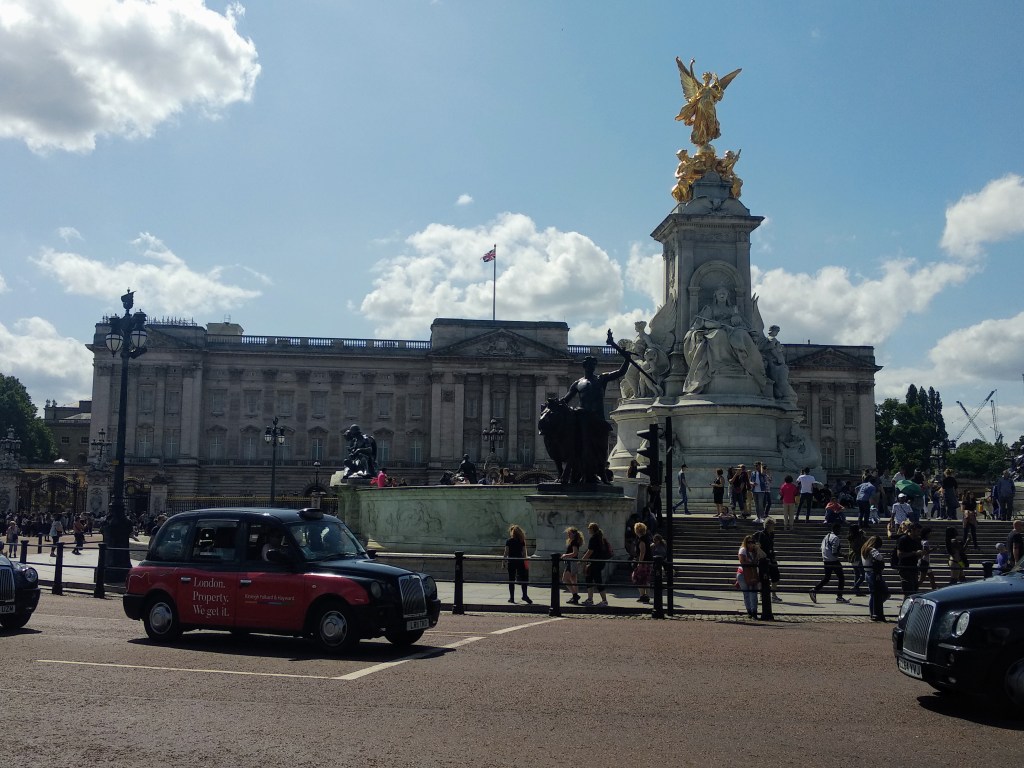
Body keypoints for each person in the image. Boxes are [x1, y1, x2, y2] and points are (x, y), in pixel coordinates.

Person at [559, 352, 630, 484]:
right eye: (589, 365)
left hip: (597, 419)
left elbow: (620, 372)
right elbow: (566, 400)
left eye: (593, 365)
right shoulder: (577, 383)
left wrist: (627, 359)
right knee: (579, 444)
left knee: (601, 448)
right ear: (585, 366)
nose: (592, 367)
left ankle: (601, 473)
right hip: (583, 418)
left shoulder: (601, 379)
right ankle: (575, 471)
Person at [809, 523, 849, 604]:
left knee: (827, 578)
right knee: (841, 577)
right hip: (833, 560)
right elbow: (834, 552)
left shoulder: (826, 536)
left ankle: (814, 590)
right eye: (839, 530)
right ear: (836, 529)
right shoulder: (835, 538)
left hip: (826, 560)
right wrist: (844, 555)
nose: (840, 531)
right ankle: (839, 597)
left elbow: (821, 548)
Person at [581, 522, 610, 607]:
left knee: (597, 580)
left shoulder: (593, 538)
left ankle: (604, 601)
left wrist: (582, 560)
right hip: (599, 562)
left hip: (594, 562)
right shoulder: (601, 538)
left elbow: (590, 551)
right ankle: (590, 599)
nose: (588, 530)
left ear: (592, 529)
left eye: (589, 528)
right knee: (589, 579)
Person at [861, 535, 890, 621]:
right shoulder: (872, 550)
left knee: (873, 594)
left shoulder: (864, 549)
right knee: (885, 593)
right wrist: (882, 558)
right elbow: (879, 557)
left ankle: (873, 612)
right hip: (873, 573)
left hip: (867, 572)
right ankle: (876, 609)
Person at [753, 517, 782, 602]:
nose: (774, 527)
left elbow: (771, 546)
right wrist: (760, 552)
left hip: (771, 558)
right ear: (768, 525)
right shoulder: (761, 534)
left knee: (776, 576)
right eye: (773, 525)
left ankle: (773, 595)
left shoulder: (771, 534)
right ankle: (762, 595)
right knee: (763, 577)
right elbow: (755, 543)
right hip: (764, 559)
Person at [503, 524, 531, 604]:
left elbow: (506, 552)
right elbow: (524, 553)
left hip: (511, 561)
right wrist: (525, 561)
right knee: (524, 579)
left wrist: (503, 562)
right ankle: (524, 595)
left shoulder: (509, 541)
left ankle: (512, 598)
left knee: (511, 580)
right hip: (520, 561)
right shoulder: (522, 541)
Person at [736, 535, 760, 619]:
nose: (751, 544)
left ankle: (754, 612)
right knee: (747, 593)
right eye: (749, 542)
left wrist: (758, 548)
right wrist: (752, 563)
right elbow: (742, 561)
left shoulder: (755, 551)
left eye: (753, 542)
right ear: (745, 543)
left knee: (753, 593)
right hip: (743, 574)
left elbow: (763, 556)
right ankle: (749, 611)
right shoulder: (743, 550)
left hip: (753, 574)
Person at [896, 522, 923, 596]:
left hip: (914, 567)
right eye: (918, 531)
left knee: (914, 590)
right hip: (905, 568)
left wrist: (920, 554)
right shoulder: (903, 539)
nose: (919, 533)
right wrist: (914, 553)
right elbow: (900, 554)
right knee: (908, 591)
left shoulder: (917, 540)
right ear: (912, 530)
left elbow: (918, 554)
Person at [631, 522, 653, 603]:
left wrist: (639, 563)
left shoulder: (641, 540)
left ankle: (643, 595)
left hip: (643, 562)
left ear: (637, 530)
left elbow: (642, 552)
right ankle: (646, 596)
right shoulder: (646, 538)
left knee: (637, 578)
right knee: (646, 579)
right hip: (648, 561)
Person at [560, 527, 583, 604]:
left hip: (571, 562)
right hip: (573, 562)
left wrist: (565, 555)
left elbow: (575, 553)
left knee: (565, 579)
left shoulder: (574, 542)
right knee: (574, 580)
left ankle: (575, 595)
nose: (568, 535)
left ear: (574, 534)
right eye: (568, 534)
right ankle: (575, 598)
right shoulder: (574, 541)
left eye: (569, 533)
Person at [847, 524, 867, 597]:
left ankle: (857, 591)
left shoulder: (850, 537)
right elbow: (864, 544)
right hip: (858, 557)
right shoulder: (859, 537)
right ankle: (856, 586)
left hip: (852, 557)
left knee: (857, 574)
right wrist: (862, 535)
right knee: (863, 575)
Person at [918, 527, 937, 591]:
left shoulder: (922, 541)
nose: (930, 535)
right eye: (929, 533)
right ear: (926, 534)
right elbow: (926, 552)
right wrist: (933, 549)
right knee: (922, 579)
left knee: (931, 577)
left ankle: (934, 590)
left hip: (925, 562)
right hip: (924, 562)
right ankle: (913, 589)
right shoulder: (925, 542)